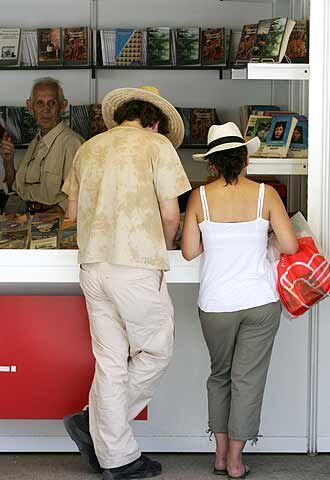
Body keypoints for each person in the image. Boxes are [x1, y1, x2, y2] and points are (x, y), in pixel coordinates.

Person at [62, 86, 191, 480]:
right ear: (155, 122)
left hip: (92, 266)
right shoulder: (156, 146)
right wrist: (165, 245)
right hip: (135, 265)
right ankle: (93, 424)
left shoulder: (88, 148)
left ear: (122, 116)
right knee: (155, 351)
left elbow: (69, 213)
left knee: (111, 362)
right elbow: (171, 215)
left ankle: (115, 453)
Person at [181, 122, 298, 479]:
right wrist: (266, 242)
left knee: (221, 376)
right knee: (247, 380)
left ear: (212, 165)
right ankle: (235, 462)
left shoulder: (199, 198)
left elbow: (188, 252)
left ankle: (218, 457)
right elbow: (291, 246)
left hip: (215, 304)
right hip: (259, 302)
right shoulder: (266, 195)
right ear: (246, 159)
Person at [0, 77, 83, 213]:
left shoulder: (72, 143)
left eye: (52, 103)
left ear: (62, 106)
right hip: (30, 216)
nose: (46, 110)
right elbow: (17, 188)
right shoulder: (36, 141)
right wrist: (8, 161)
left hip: (54, 222)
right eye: (40, 103)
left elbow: (79, 197)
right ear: (30, 107)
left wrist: (53, 216)